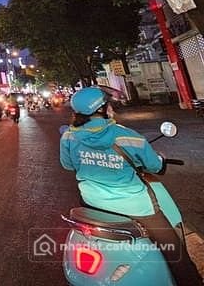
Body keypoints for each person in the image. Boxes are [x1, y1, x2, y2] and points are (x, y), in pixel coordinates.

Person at [60, 87, 202, 286]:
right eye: (108, 104)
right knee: (175, 252)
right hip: (134, 206)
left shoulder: (68, 136)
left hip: (91, 201)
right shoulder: (126, 136)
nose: (111, 108)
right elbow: (154, 165)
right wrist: (160, 160)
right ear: (101, 109)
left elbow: (68, 165)